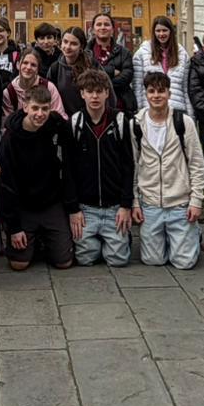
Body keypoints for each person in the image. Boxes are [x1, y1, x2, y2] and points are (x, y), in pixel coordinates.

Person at [0, 88, 79, 271]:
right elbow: (5, 186)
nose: (40, 114)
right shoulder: (10, 139)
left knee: (64, 262)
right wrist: (14, 227)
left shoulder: (57, 126)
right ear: (25, 107)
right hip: (23, 205)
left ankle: (44, 238)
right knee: (19, 264)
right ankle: (32, 239)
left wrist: (73, 208)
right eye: (35, 108)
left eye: (45, 109)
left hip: (51, 202)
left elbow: (69, 166)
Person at [129, 71, 204, 270]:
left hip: (179, 203)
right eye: (151, 91)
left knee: (184, 262)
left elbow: (197, 164)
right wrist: (135, 202)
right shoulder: (136, 125)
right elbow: (133, 166)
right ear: (145, 94)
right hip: (151, 203)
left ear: (169, 94)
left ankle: (192, 234)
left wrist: (196, 201)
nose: (156, 95)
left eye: (161, 91)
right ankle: (171, 238)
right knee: (153, 260)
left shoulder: (183, 122)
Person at [68, 69, 134, 267]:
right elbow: (69, 169)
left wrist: (125, 205)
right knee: (85, 258)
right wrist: (73, 209)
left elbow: (129, 165)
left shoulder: (121, 121)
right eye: (89, 91)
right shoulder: (75, 123)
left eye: (99, 91)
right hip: (86, 208)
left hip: (114, 206)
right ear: (82, 94)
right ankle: (98, 241)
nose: (94, 96)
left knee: (118, 260)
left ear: (107, 93)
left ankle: (121, 239)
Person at [133, 16, 190, 114]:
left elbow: (186, 88)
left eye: (165, 30)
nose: (161, 34)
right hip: (151, 108)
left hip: (176, 108)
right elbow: (137, 85)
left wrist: (190, 114)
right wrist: (138, 110)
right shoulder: (142, 53)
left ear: (171, 32)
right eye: (158, 31)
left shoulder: (182, 54)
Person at [0, 48, 66, 120]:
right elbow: (8, 123)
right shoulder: (9, 92)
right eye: (25, 63)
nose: (28, 67)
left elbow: (60, 117)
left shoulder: (49, 87)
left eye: (33, 65)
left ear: (38, 69)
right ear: (18, 65)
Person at [89, 12, 136, 113]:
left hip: (120, 105)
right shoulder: (86, 53)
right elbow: (85, 76)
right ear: (93, 29)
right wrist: (111, 71)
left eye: (106, 24)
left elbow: (127, 77)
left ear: (112, 29)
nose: (103, 27)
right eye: (98, 24)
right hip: (93, 107)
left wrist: (98, 84)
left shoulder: (124, 53)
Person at [47, 25, 95, 117]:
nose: (68, 46)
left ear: (81, 47)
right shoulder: (55, 68)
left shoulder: (92, 66)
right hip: (63, 122)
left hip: (88, 121)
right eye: (65, 42)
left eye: (73, 44)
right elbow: (49, 97)